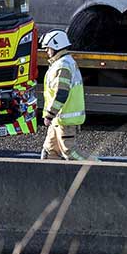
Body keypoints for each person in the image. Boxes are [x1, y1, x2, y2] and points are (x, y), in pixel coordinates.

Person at [38, 30, 87, 160]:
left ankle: (99, 169)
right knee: (49, 153)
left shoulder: (63, 66)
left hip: (66, 120)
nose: (46, 52)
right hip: (58, 120)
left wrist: (49, 114)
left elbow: (61, 93)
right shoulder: (60, 63)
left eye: (48, 48)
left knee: (71, 154)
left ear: (56, 46)